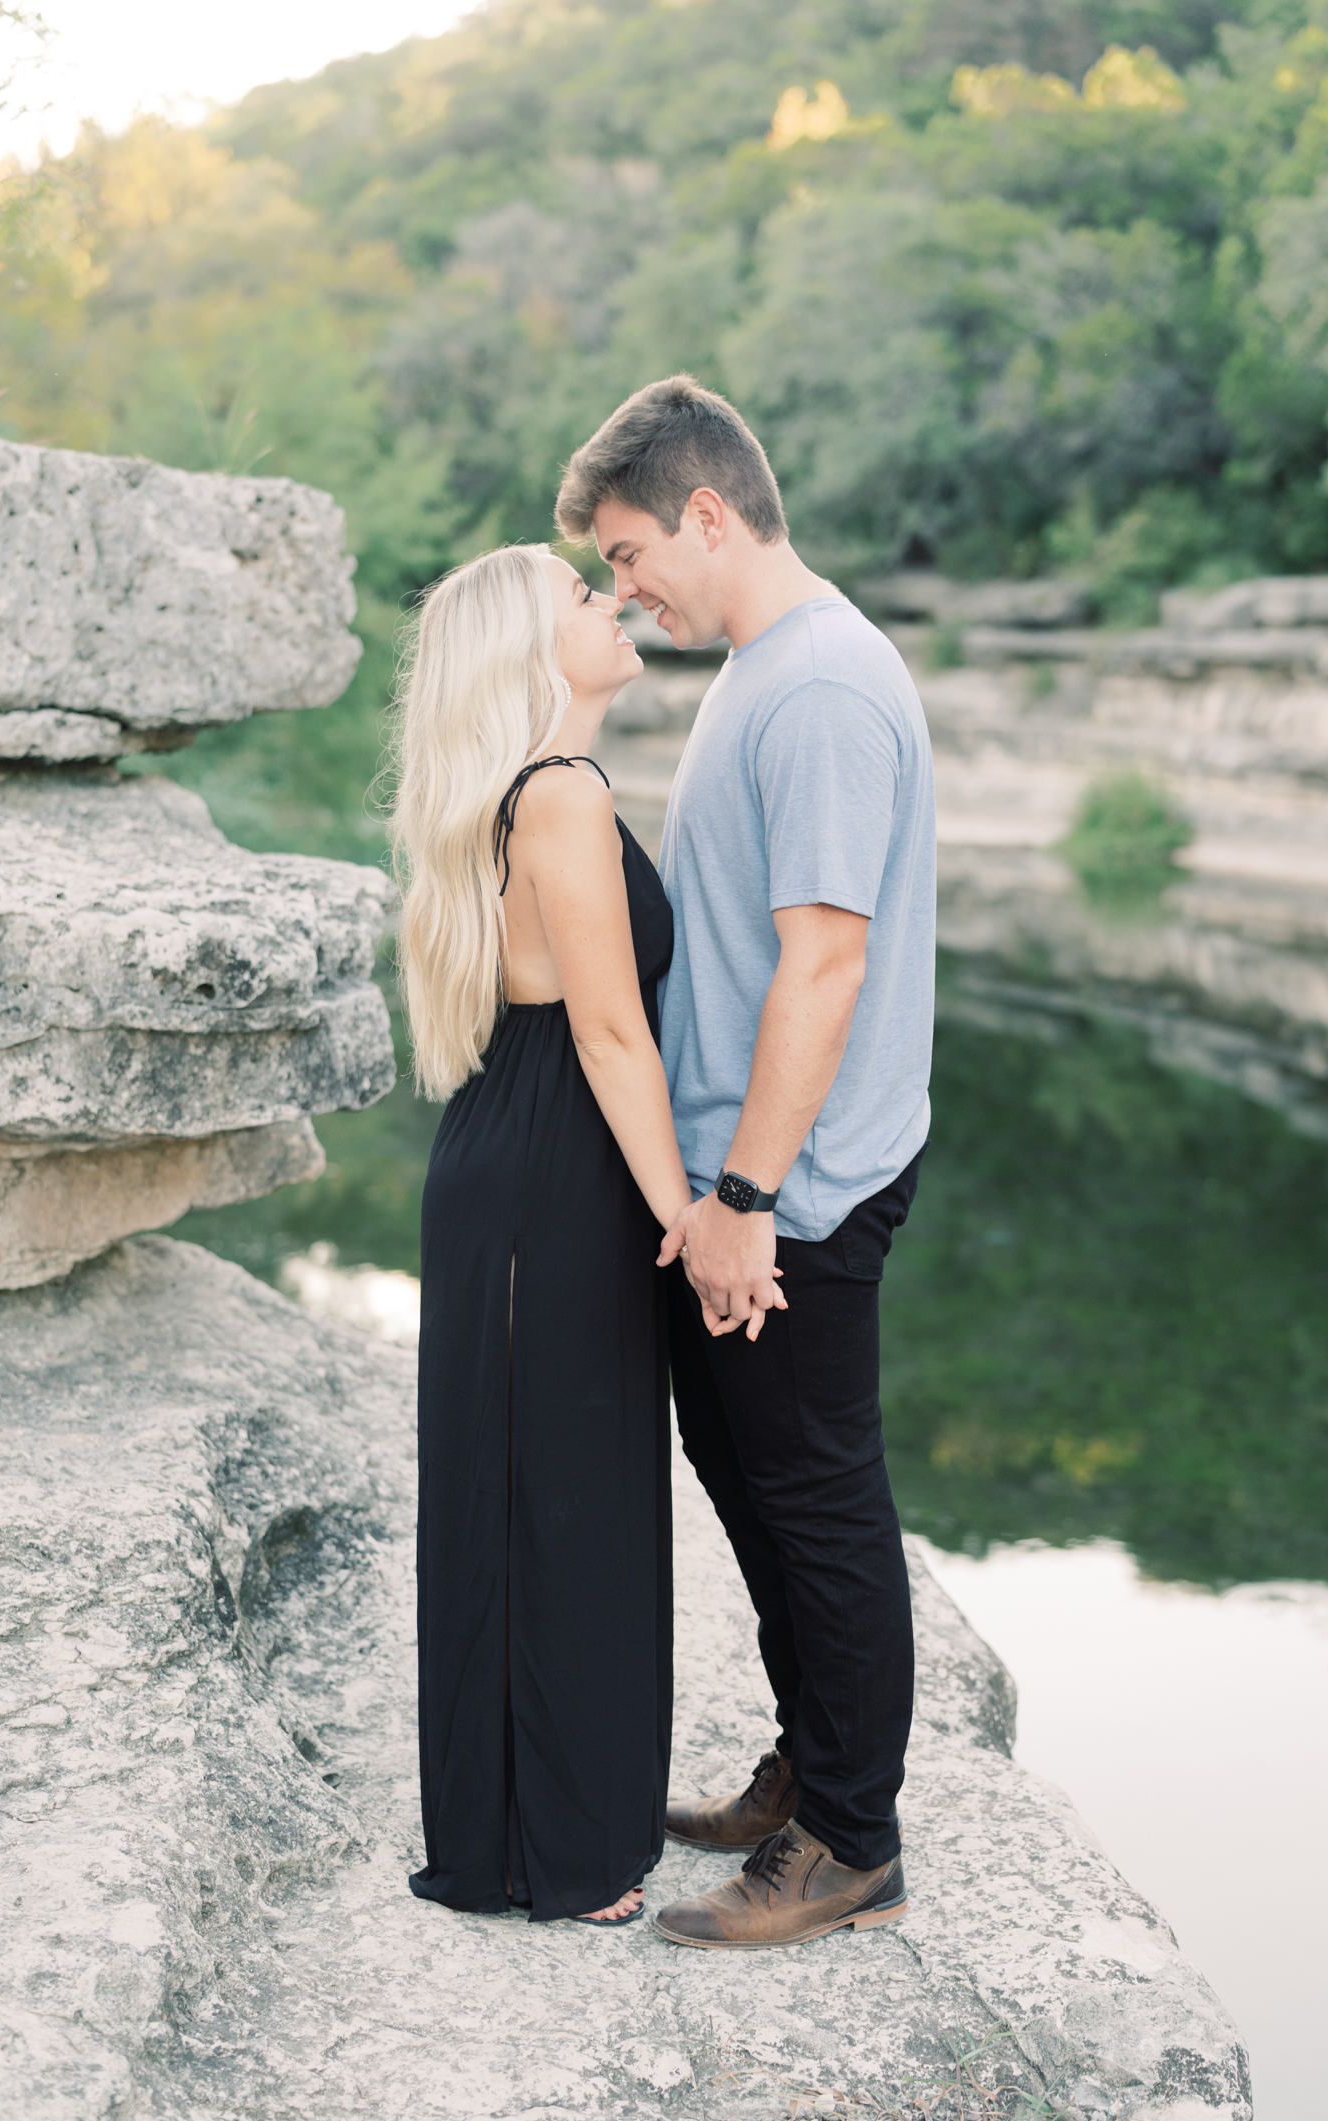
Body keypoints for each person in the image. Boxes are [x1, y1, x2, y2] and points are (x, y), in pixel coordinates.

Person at [555, 375, 937, 1950]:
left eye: (634, 549)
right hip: (746, 1180)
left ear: (709, 513)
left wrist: (744, 1203)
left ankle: (852, 1838)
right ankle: (811, 1766)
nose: (622, 583)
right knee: (759, 1491)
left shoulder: (826, 689)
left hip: (797, 1191)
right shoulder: (764, 668)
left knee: (815, 1500)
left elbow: (823, 971)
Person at [393, 545, 779, 1927]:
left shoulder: (537, 796)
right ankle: (542, 1852)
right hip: (553, 1175)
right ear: (530, 653)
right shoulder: (556, 795)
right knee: (552, 1503)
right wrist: (695, 1208)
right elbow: (612, 1032)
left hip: (534, 1162)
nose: (607, 601)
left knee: (564, 1494)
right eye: (579, 595)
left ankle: (536, 1830)